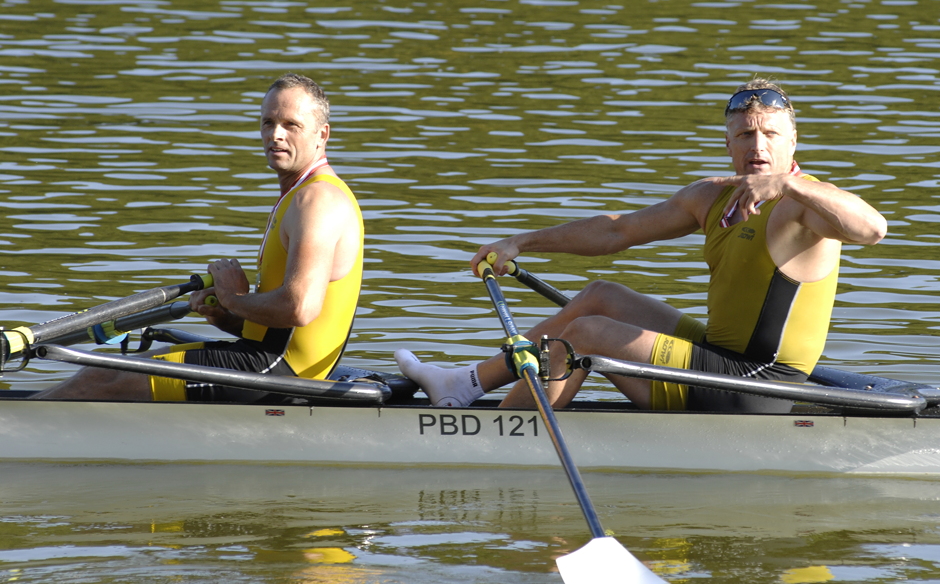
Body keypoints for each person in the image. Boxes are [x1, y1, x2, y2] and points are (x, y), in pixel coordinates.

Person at [395, 78, 887, 413]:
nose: (759, 147)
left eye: (771, 135)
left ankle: (501, 437)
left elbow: (873, 229)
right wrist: (523, 241)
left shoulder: (810, 206)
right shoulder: (710, 196)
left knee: (588, 332)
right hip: (720, 358)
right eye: (746, 135)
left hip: (759, 385)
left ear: (793, 141)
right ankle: (467, 384)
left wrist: (790, 186)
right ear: (728, 143)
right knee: (600, 297)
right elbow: (618, 230)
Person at [32, 74, 364, 402]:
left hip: (281, 373)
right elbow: (284, 332)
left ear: (322, 135)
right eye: (268, 123)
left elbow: (299, 309)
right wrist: (228, 316)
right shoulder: (301, 196)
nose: (275, 135)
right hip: (269, 360)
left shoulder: (317, 200)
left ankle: (19, 433)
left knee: (99, 377)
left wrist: (234, 298)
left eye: (291, 125)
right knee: (106, 370)